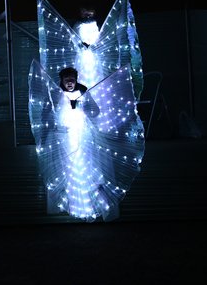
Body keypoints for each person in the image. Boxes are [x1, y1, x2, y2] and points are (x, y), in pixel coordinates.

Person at [28, 60, 144, 221]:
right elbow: (47, 114)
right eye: (67, 80)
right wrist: (51, 128)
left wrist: (83, 107)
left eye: (72, 80)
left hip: (82, 134)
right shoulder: (55, 93)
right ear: (61, 80)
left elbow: (95, 111)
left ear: (76, 80)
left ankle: (89, 200)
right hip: (62, 136)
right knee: (63, 168)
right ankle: (65, 202)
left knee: (86, 165)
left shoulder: (83, 92)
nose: (70, 83)